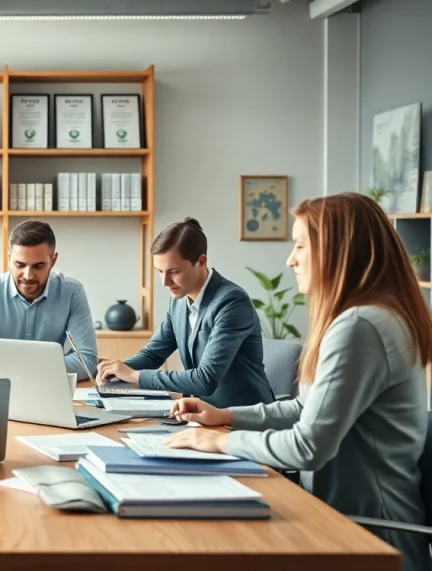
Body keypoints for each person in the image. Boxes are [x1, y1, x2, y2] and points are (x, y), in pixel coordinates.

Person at [165, 193, 431, 571]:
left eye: (301, 245)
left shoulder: (360, 327)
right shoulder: (368, 317)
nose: (291, 259)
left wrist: (219, 442)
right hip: (337, 521)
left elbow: (309, 447)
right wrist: (225, 416)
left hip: (369, 540)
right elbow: (306, 408)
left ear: (339, 251)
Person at [96, 217, 274, 407]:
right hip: (198, 411)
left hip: (241, 416)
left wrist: (134, 376)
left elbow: (205, 380)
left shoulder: (232, 302)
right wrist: (116, 370)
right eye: (159, 271)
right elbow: (154, 354)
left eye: (174, 272)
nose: (165, 282)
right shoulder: (179, 301)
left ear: (201, 261)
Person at [0, 220, 97, 378]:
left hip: (47, 385)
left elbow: (87, 361)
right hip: (2, 384)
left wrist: (16, 367)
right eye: (20, 265)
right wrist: (37, 367)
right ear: (9, 258)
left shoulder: (72, 292)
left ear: (53, 260)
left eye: (38, 266)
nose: (28, 276)